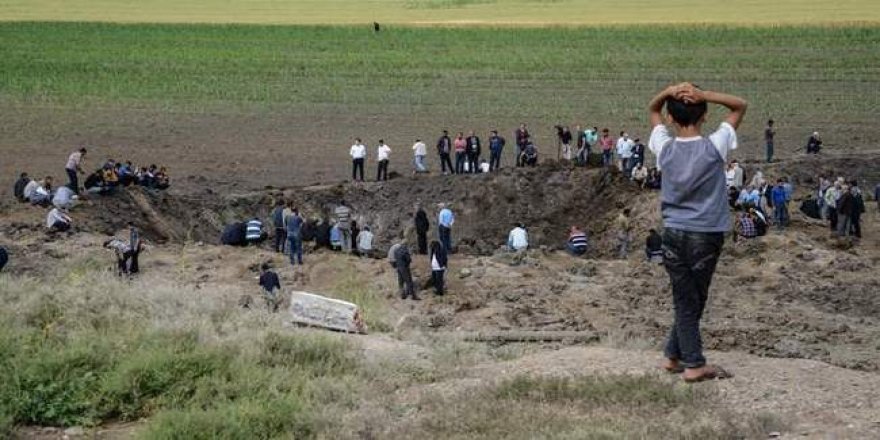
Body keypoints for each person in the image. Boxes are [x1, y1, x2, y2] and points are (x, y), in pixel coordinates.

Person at [648, 82, 747, 382]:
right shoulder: (715, 145)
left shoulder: (663, 147)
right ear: (704, 115)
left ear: (670, 119)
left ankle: (673, 355)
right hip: (706, 234)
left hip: (673, 233)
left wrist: (667, 92)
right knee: (691, 300)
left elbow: (652, 109)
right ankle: (694, 365)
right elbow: (740, 104)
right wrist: (705, 95)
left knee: (688, 296)